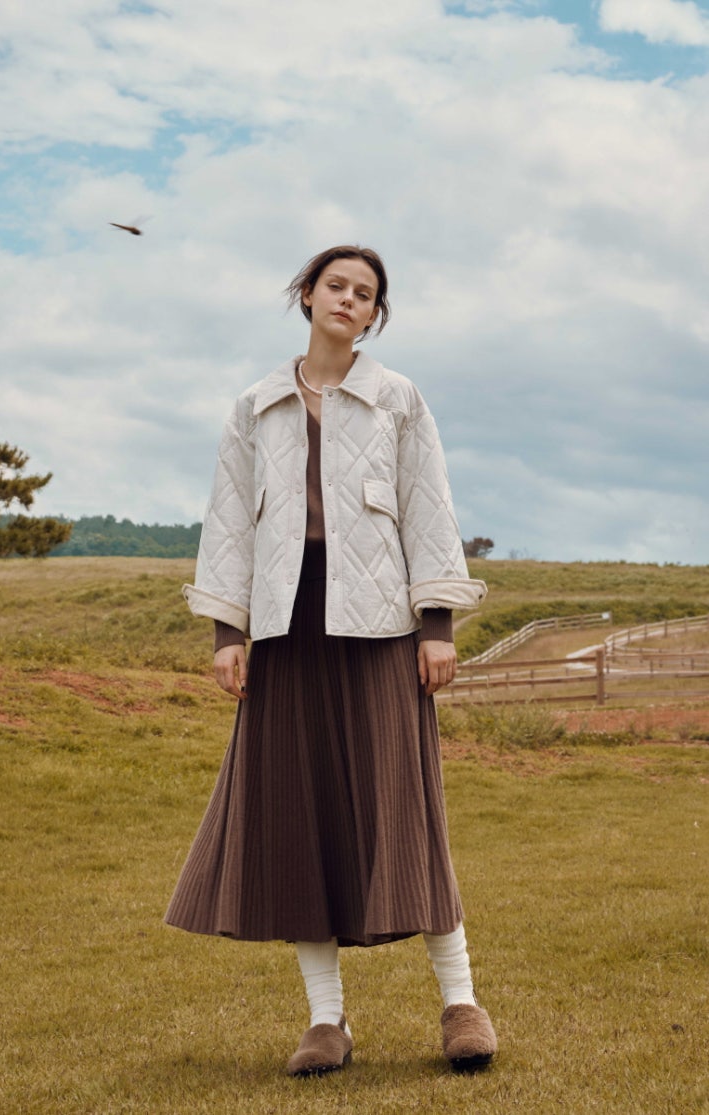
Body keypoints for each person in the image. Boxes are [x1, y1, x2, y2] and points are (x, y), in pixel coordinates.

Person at [165, 245, 498, 1075]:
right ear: (307, 295)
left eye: (365, 293)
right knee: (297, 816)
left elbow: (427, 505)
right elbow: (228, 519)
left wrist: (436, 623)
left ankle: (460, 1003)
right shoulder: (254, 405)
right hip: (286, 633)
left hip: (382, 628)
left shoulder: (397, 398)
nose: (348, 299)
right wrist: (228, 633)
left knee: (406, 809)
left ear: (374, 315)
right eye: (335, 285)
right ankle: (325, 1020)